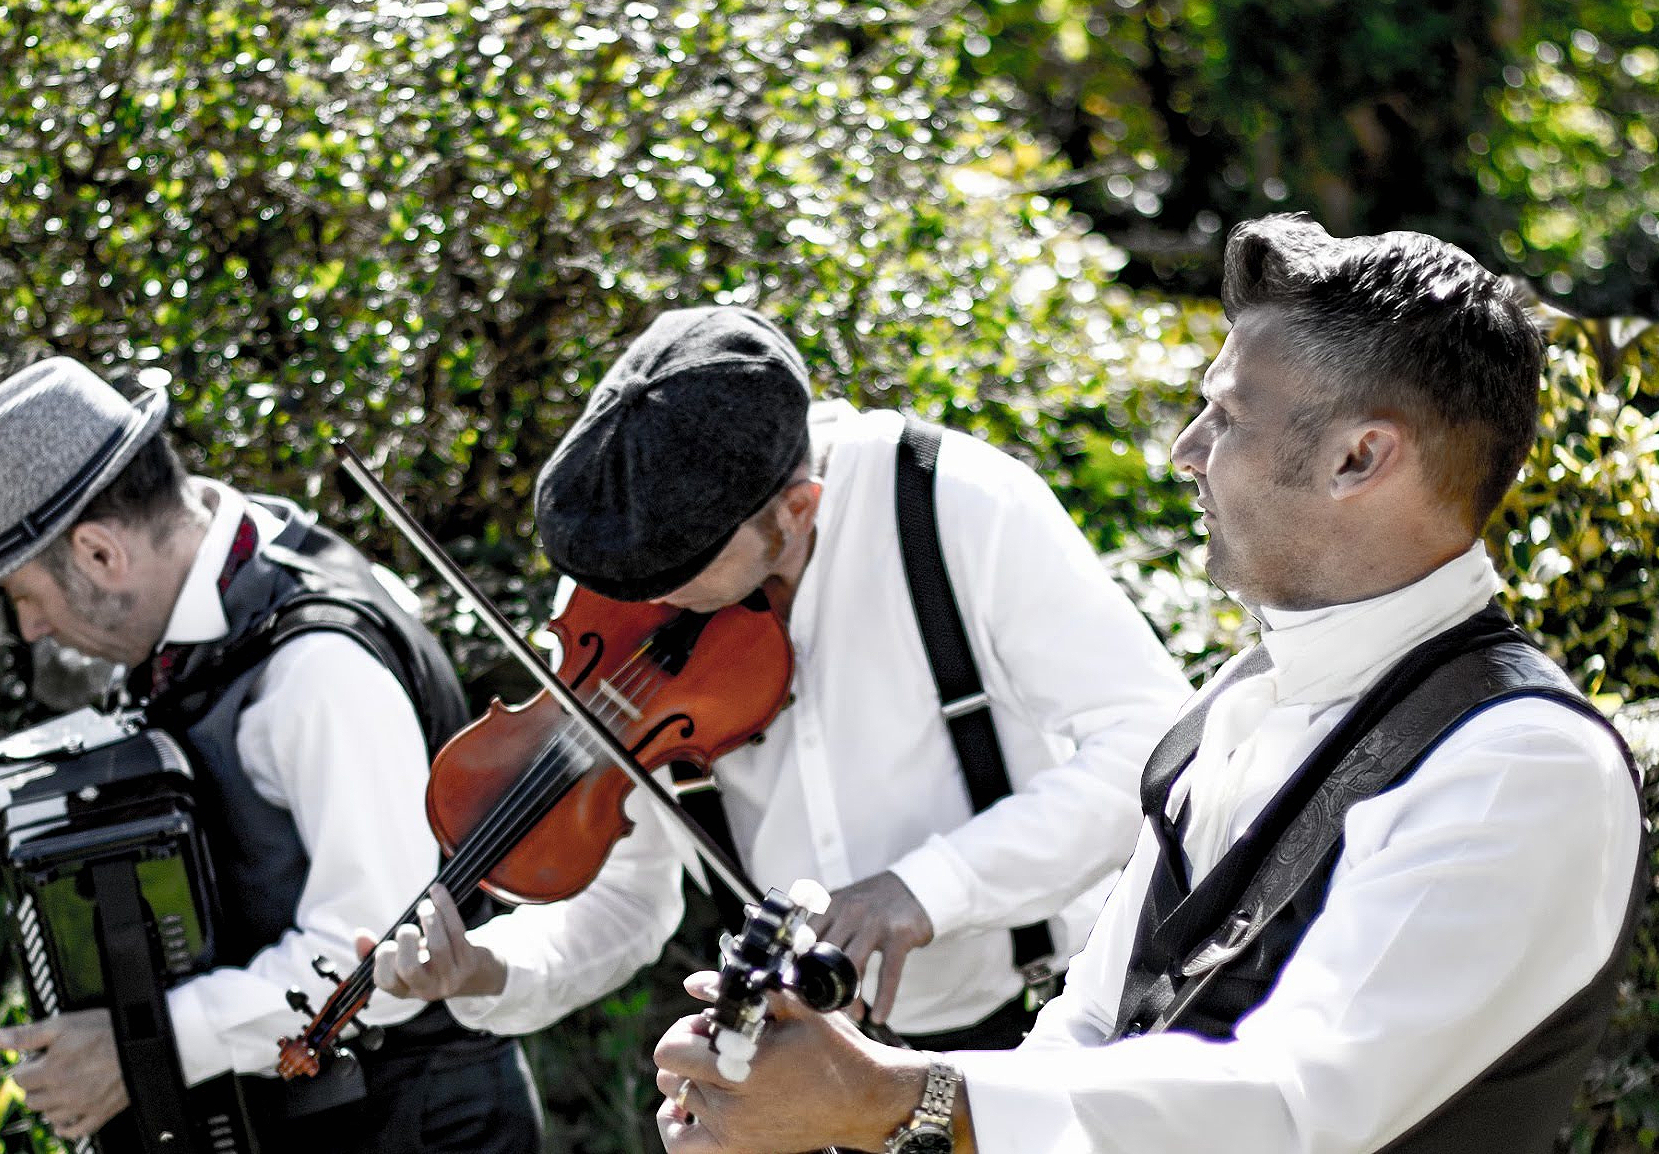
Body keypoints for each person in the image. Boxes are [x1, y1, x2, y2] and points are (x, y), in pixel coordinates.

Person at [646, 215, 1645, 1154]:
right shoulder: (1230, 703)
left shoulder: (1522, 764)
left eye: (1224, 416)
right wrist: (848, 1110)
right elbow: (1084, 1028)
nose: (1184, 451)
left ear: (1358, 456)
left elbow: (1298, 1106)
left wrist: (896, 1096)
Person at [369, 305, 1190, 1056]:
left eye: (682, 575)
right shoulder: (621, 588)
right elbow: (628, 899)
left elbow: (1150, 743)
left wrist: (928, 886)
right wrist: (485, 969)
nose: (651, 602)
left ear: (796, 510)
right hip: (799, 1057)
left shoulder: (956, 504)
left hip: (1038, 1033)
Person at [0, 357, 542, 1152]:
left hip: (414, 1126)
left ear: (102, 554)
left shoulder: (317, 672)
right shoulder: (230, 559)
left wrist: (145, 1048)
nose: (32, 629)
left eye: (25, 597)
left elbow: (377, 959)